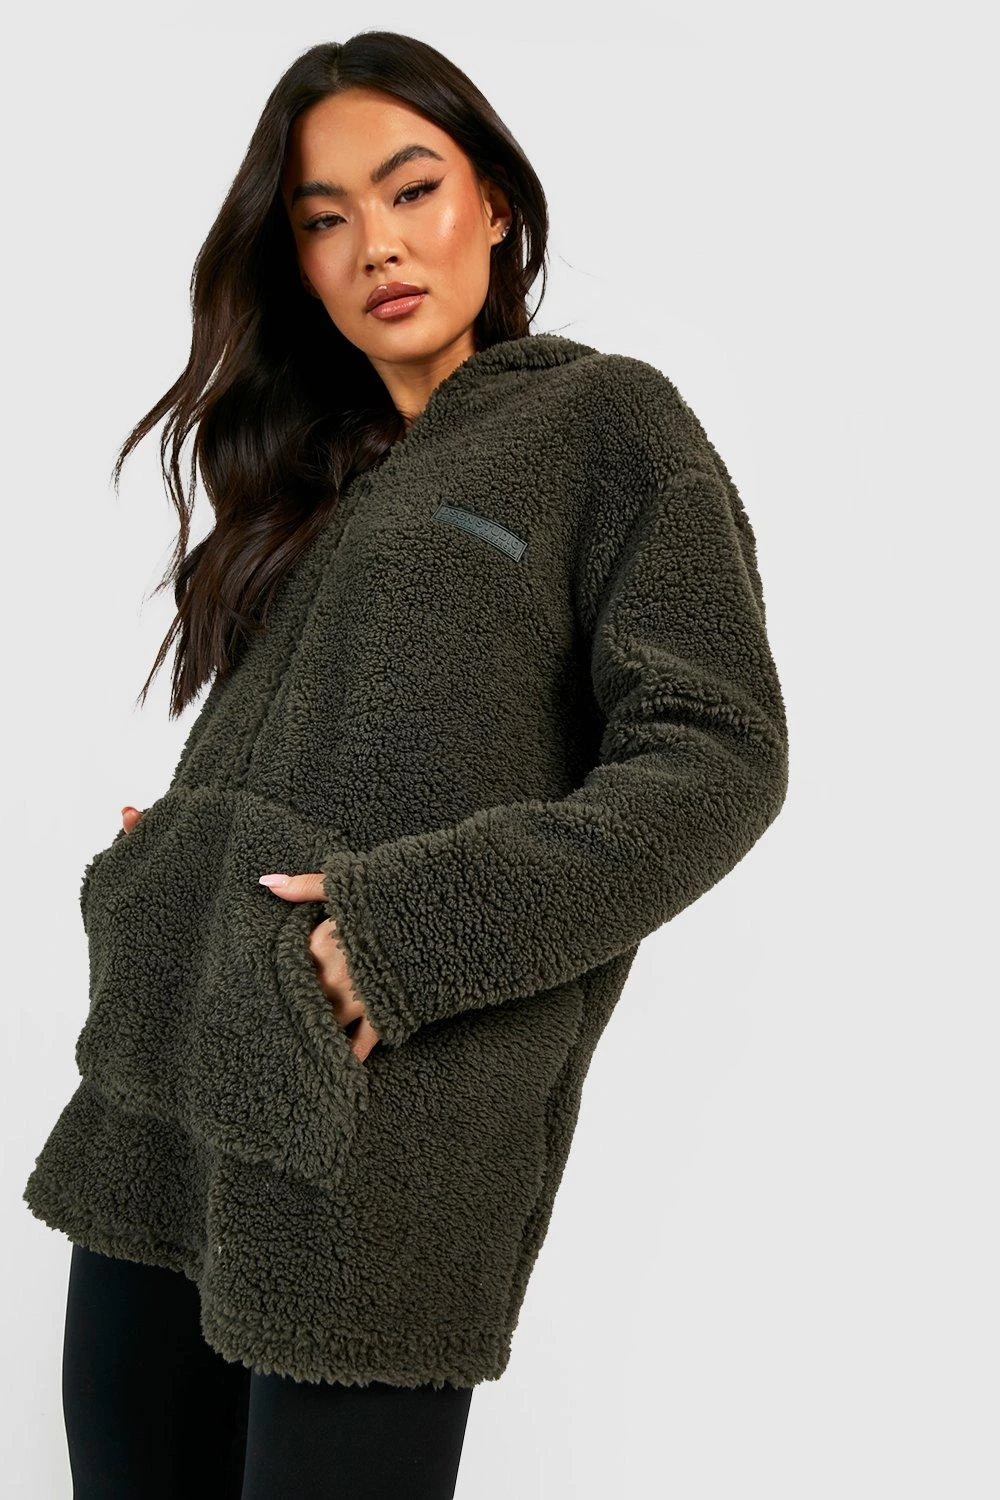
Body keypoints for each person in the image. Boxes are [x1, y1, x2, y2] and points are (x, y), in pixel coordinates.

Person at [24, 29, 789, 1500]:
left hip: (389, 1140)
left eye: (411, 187)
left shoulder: (605, 425)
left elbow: (720, 756)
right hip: (164, 1097)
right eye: (324, 219)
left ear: (492, 202)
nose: (375, 243)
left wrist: (401, 935)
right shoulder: (316, 471)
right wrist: (170, 856)